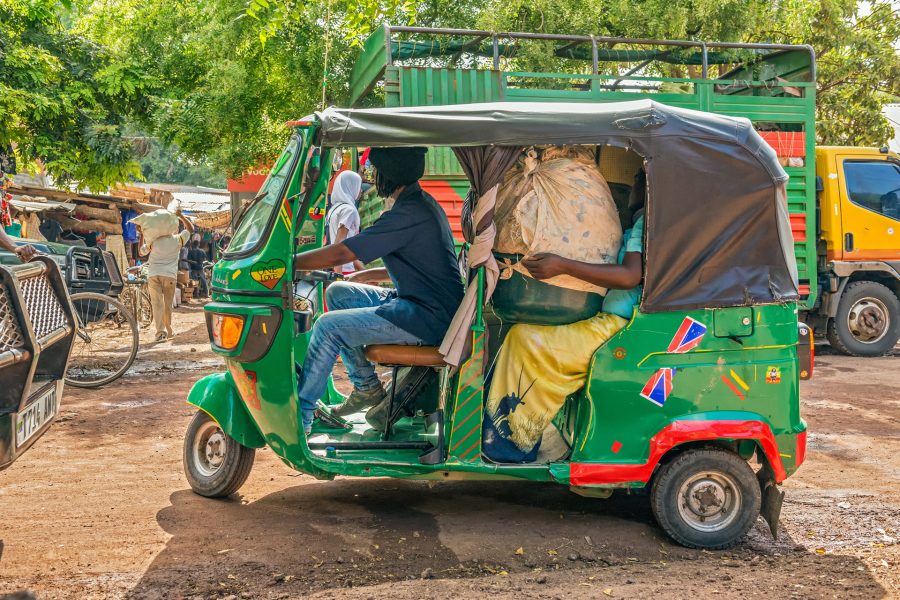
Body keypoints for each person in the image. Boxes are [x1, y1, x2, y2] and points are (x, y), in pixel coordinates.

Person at [292, 147, 464, 434]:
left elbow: (340, 254)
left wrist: (290, 262)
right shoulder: (419, 204)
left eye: (377, 172)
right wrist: (371, 274)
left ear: (390, 174)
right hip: (419, 302)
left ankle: (302, 419)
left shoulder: (408, 213)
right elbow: (422, 264)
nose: (373, 178)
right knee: (338, 293)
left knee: (327, 327)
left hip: (428, 316)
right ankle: (367, 388)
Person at [482, 169, 647, 463]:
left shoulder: (648, 222)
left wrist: (563, 266)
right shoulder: (642, 223)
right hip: (615, 321)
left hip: (622, 328)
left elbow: (630, 275)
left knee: (524, 338)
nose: (631, 187)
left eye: (636, 179)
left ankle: (510, 445)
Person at [139, 210, 194, 342]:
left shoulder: (153, 241)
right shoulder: (178, 239)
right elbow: (190, 229)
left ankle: (160, 333)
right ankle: (168, 331)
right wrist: (181, 216)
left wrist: (142, 235)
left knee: (157, 304)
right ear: (173, 228)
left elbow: (141, 252)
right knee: (167, 304)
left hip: (153, 275)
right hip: (169, 276)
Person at [326, 170, 365, 275]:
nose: (360, 190)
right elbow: (339, 244)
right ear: (350, 186)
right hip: (344, 270)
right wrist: (338, 276)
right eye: (358, 186)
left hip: (340, 266)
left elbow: (348, 246)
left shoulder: (335, 209)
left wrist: (365, 272)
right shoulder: (349, 210)